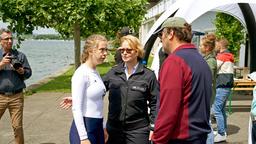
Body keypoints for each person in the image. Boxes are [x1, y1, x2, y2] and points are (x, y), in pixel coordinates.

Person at [152, 17, 212, 144]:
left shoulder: (174, 61)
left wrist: (157, 140)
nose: (161, 39)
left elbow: (168, 109)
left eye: (161, 34)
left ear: (171, 34)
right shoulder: (201, 61)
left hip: (180, 138)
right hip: (199, 136)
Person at [103, 35, 158, 144]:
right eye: (122, 50)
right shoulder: (113, 72)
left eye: (128, 50)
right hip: (114, 129)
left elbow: (155, 102)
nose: (124, 53)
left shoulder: (148, 75)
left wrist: (153, 126)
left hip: (138, 131)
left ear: (137, 52)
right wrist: (78, 97)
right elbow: (98, 89)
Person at [69, 34, 108, 144]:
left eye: (106, 50)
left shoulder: (95, 72)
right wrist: (83, 137)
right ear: (91, 51)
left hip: (97, 127)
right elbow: (77, 108)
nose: (105, 53)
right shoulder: (81, 73)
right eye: (102, 50)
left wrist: (103, 126)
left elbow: (98, 103)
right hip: (85, 129)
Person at [0, 28, 32, 144]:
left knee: (17, 127)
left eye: (11, 38)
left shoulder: (20, 56)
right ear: (0, 41)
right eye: (6, 39)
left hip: (16, 97)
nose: (9, 41)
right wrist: (1, 64)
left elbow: (29, 73)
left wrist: (22, 71)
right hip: (0, 96)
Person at [212, 38, 234, 143]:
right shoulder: (228, 55)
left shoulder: (222, 56)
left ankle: (221, 134)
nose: (215, 46)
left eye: (216, 45)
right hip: (226, 86)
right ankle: (223, 130)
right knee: (221, 109)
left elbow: (213, 67)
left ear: (220, 46)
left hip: (222, 86)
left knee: (216, 109)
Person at [199, 33, 217, 144]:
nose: (199, 47)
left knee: (207, 123)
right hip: (206, 95)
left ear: (207, 48)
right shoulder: (206, 59)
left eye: (201, 45)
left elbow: (207, 79)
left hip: (207, 95)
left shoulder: (210, 61)